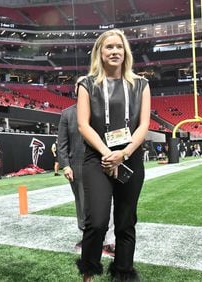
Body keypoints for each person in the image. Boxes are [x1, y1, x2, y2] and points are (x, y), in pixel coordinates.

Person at [76, 29, 150, 281]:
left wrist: (124, 153)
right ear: (100, 52)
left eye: (119, 47)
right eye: (109, 47)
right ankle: (88, 271)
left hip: (130, 159)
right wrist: (108, 153)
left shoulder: (141, 84)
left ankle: (123, 273)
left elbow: (143, 125)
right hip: (98, 159)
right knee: (96, 222)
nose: (115, 51)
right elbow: (83, 125)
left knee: (125, 222)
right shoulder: (86, 84)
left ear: (125, 51)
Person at [58, 104, 115, 255]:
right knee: (82, 203)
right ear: (76, 89)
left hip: (102, 161)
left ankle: (109, 241)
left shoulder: (102, 108)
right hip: (77, 165)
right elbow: (62, 143)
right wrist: (65, 166)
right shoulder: (67, 113)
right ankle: (87, 238)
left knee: (107, 201)